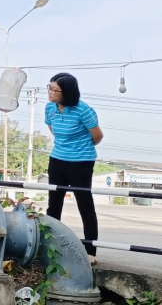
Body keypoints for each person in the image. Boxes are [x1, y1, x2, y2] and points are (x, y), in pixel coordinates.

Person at [44, 73, 103, 266]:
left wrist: (79, 148)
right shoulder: (49, 108)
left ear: (67, 93)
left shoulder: (83, 110)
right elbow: (54, 130)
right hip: (57, 160)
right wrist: (65, 147)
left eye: (55, 90)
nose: (50, 92)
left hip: (81, 162)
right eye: (49, 87)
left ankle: (90, 251)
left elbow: (97, 136)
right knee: (54, 204)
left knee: (84, 204)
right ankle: (50, 247)